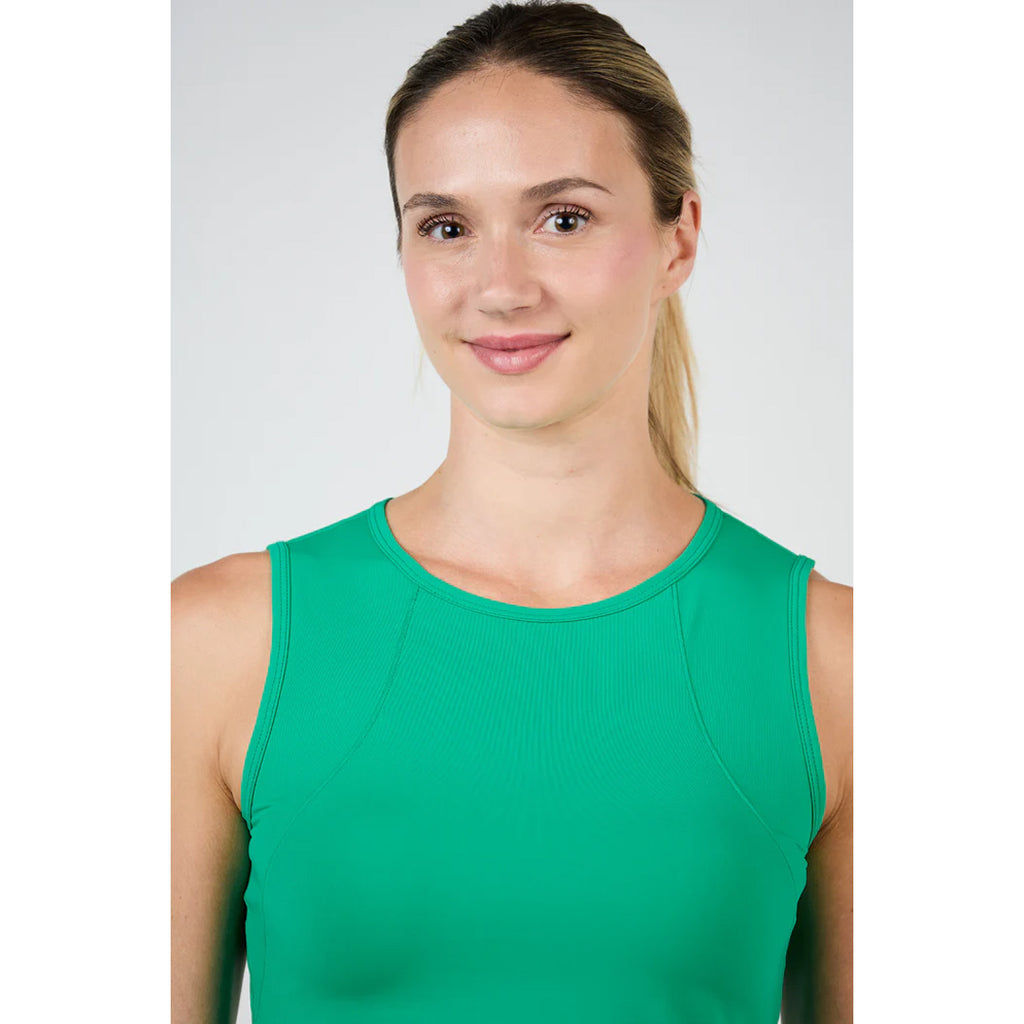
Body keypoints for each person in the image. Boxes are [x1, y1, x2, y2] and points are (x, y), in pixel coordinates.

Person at [171, 2, 853, 1021]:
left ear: (678, 238)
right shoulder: (218, 647)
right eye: (446, 227)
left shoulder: (836, 664)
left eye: (562, 219)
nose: (499, 287)